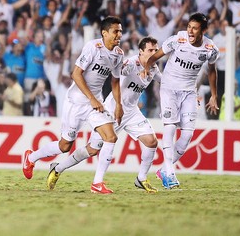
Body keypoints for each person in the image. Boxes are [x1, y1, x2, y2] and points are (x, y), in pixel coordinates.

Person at [45, 37, 163, 193]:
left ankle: (141, 178)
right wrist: (139, 71)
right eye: (150, 50)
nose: (154, 53)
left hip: (132, 112)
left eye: (156, 50)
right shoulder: (130, 63)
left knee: (151, 141)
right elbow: (120, 72)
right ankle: (58, 168)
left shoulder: (154, 68)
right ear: (141, 51)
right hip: (113, 110)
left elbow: (166, 82)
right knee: (92, 150)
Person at [22, 16, 124, 194]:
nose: (119, 35)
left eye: (120, 31)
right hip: (76, 101)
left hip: (95, 103)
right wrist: (92, 98)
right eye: (116, 31)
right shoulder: (93, 47)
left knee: (110, 138)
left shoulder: (118, 54)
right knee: (65, 146)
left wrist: (118, 105)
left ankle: (97, 183)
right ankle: (31, 157)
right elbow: (76, 74)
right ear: (104, 33)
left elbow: (115, 82)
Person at [143, 13, 219, 189]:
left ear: (204, 30)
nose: (190, 31)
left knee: (187, 135)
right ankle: (169, 171)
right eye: (189, 27)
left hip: (189, 92)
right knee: (169, 126)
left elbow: (212, 71)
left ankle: (163, 169)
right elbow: (154, 58)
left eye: (195, 28)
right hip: (169, 88)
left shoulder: (210, 48)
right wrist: (146, 69)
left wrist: (214, 95)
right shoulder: (177, 39)